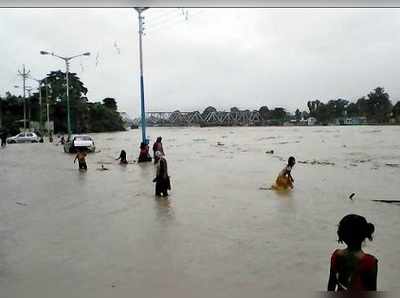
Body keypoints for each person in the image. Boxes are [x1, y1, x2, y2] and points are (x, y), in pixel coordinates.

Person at [327, 214, 378, 291]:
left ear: (342, 235)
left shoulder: (336, 256)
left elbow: (331, 287)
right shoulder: (370, 262)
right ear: (364, 235)